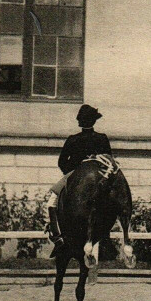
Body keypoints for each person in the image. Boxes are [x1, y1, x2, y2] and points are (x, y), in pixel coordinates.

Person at [46, 104, 112, 255]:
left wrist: (73, 173)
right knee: (109, 202)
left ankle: (58, 239)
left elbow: (62, 162)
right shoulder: (102, 138)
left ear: (80, 122)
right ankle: (106, 237)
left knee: (52, 202)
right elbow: (109, 160)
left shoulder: (73, 139)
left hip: (74, 174)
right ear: (94, 121)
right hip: (99, 177)